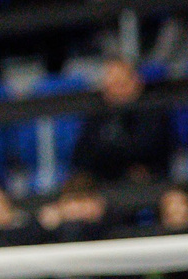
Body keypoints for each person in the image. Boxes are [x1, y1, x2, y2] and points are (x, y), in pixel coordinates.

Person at [66, 57, 177, 187]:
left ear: (137, 82)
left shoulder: (152, 109)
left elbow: (148, 149)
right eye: (111, 85)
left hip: (148, 182)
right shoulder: (96, 115)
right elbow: (81, 155)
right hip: (103, 182)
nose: (117, 91)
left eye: (122, 84)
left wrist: (109, 151)